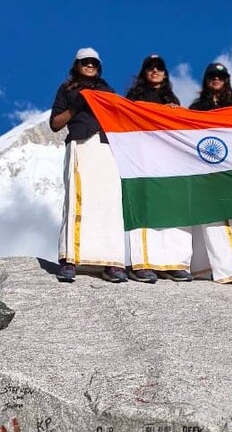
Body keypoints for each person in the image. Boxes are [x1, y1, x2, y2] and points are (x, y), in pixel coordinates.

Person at [50, 48, 128, 283]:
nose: (90, 65)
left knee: (109, 202)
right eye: (85, 62)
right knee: (77, 199)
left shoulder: (108, 91)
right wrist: (76, 107)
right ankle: (70, 260)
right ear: (77, 65)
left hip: (106, 147)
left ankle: (111, 263)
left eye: (94, 62)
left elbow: (124, 115)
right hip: (80, 144)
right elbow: (55, 123)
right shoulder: (67, 89)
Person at [121, 54, 194, 283]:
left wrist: (175, 113)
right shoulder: (134, 97)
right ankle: (143, 263)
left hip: (167, 161)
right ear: (144, 72)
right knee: (144, 206)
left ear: (165, 73)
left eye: (159, 68)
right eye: (150, 68)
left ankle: (173, 263)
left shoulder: (171, 98)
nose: (155, 71)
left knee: (172, 208)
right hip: (143, 159)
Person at [187, 62, 232, 287]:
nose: (216, 79)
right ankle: (223, 270)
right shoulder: (196, 107)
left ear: (227, 81)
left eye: (221, 76)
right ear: (206, 80)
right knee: (212, 221)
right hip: (206, 169)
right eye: (212, 76)